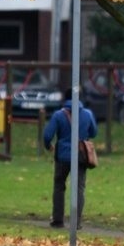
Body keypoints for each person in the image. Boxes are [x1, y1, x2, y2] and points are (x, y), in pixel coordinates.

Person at [43, 94, 97, 229]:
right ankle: (76, 222)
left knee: (59, 186)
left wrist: (48, 145)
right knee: (79, 188)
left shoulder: (58, 115)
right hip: (80, 157)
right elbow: (94, 132)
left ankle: (58, 220)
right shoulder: (87, 114)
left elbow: (47, 135)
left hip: (62, 157)